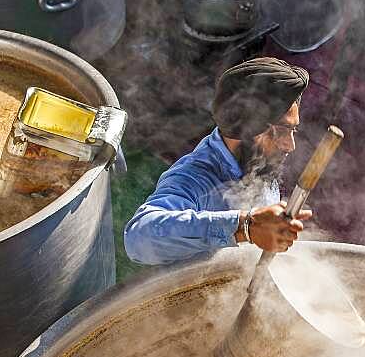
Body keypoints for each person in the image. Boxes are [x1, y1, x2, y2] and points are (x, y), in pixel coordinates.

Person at [124, 57, 312, 265]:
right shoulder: (194, 176)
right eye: (282, 131)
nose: (290, 145)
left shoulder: (258, 163)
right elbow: (138, 238)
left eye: (293, 130)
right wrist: (245, 227)